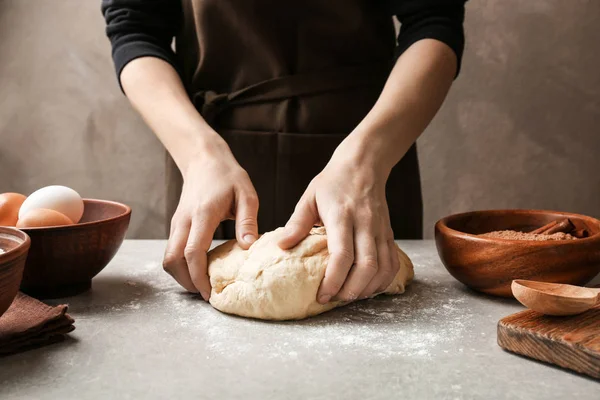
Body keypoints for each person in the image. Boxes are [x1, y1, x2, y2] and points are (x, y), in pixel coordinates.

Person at [102, 0, 466, 304]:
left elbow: (432, 18)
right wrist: (199, 155)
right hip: (210, 156)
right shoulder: (202, 155)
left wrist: (367, 158)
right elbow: (134, 27)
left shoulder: (366, 158)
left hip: (367, 150)